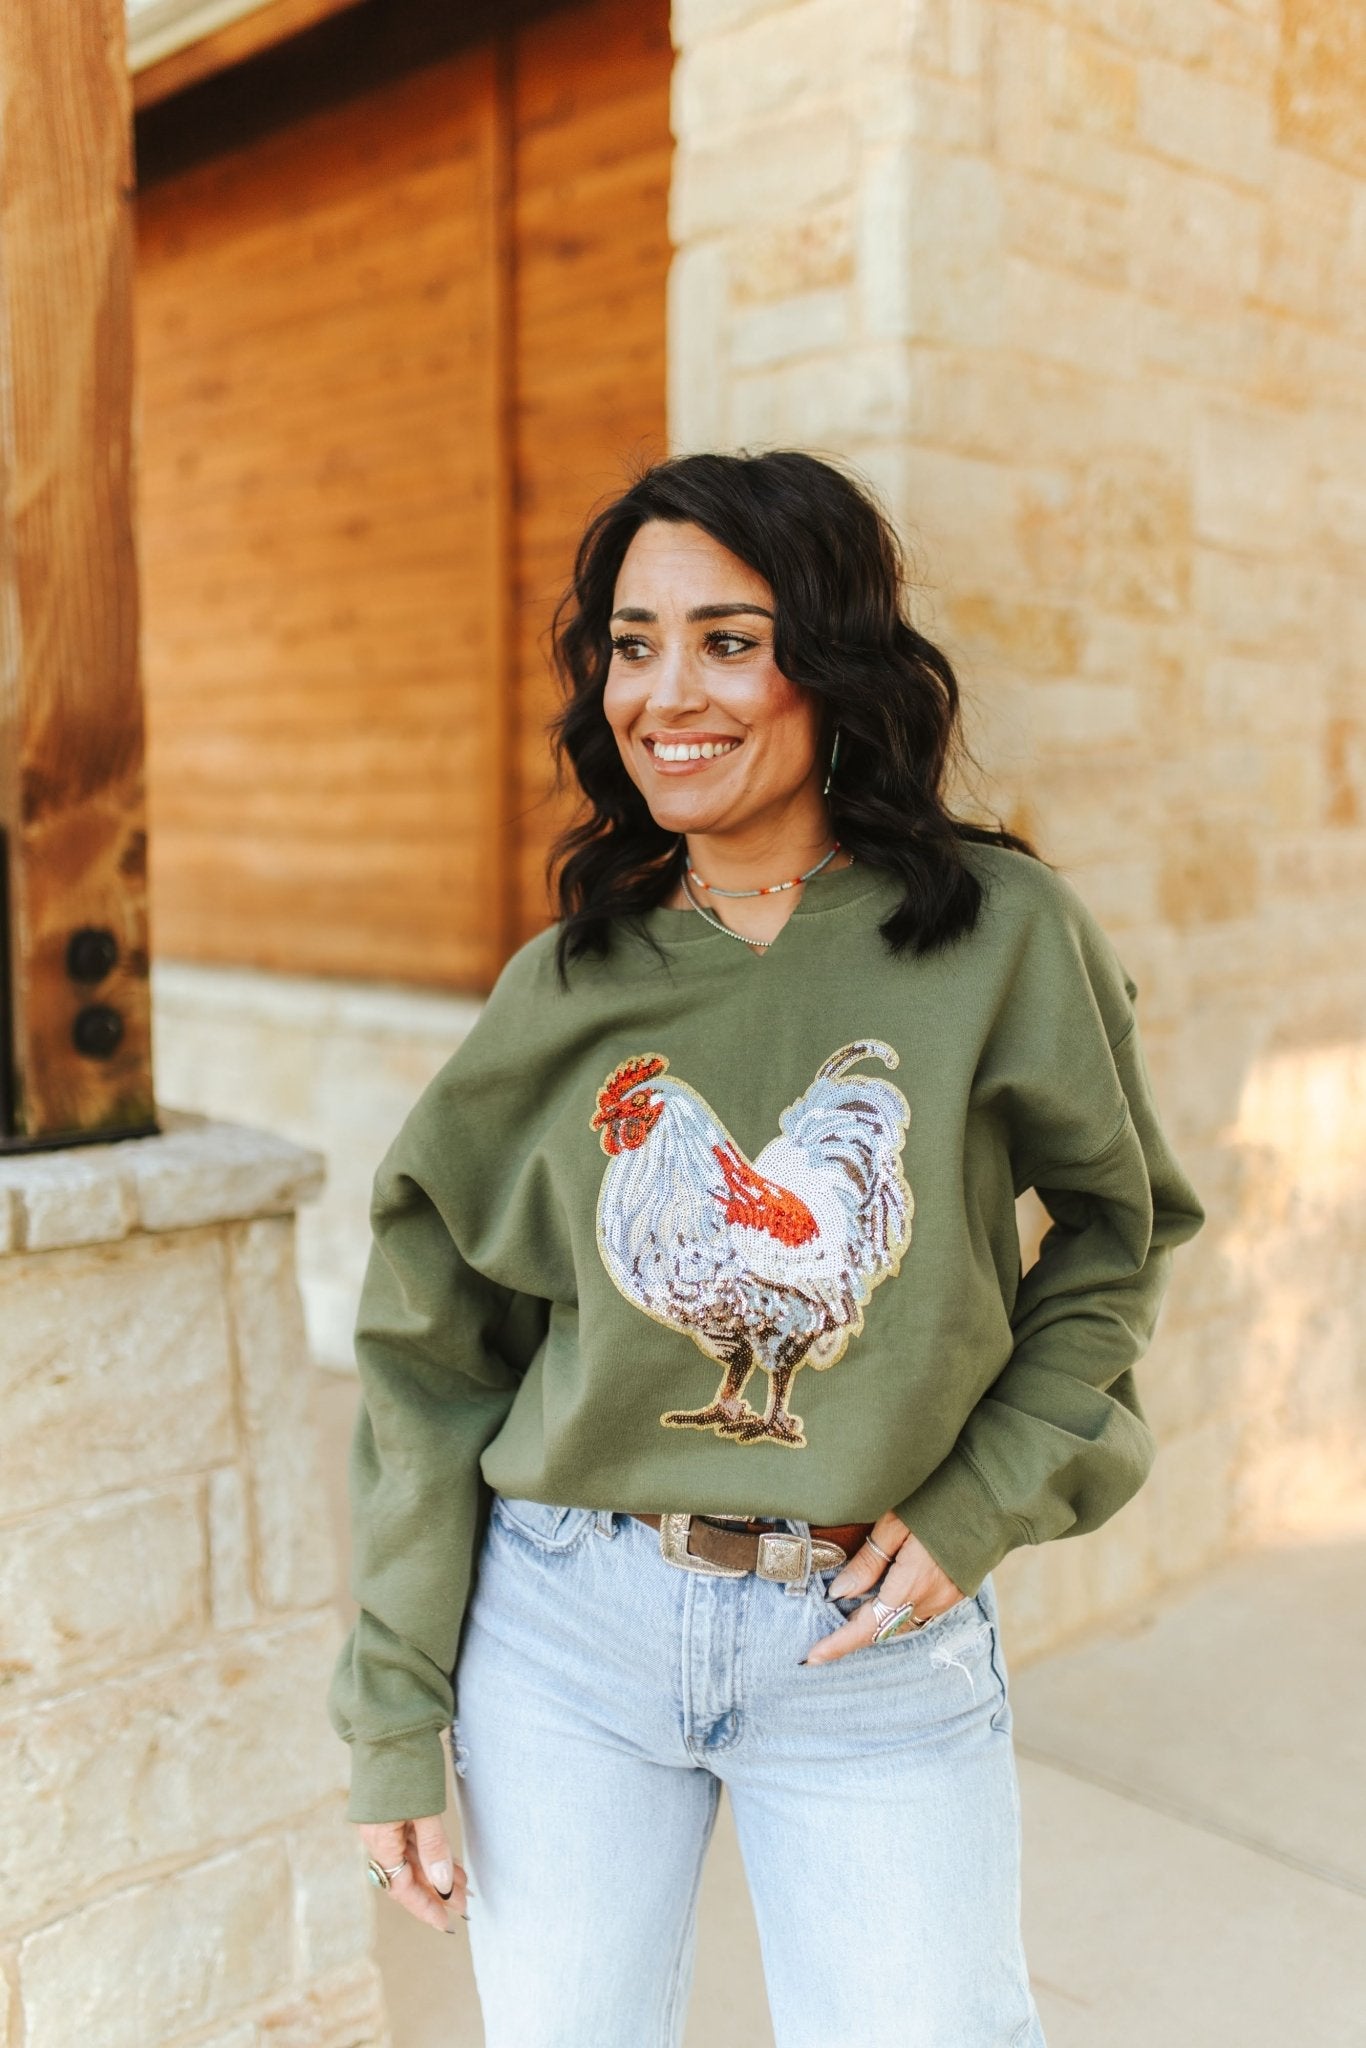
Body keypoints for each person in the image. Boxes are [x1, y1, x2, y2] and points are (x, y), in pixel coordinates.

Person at [327, 450, 1206, 2047]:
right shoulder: (568, 983)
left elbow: (1118, 1231)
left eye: (728, 641)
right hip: (565, 1628)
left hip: (864, 1633)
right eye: (631, 644)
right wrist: (394, 1710)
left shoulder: (998, 933)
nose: (666, 693)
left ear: (831, 664)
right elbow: (429, 1354)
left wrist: (982, 1499)